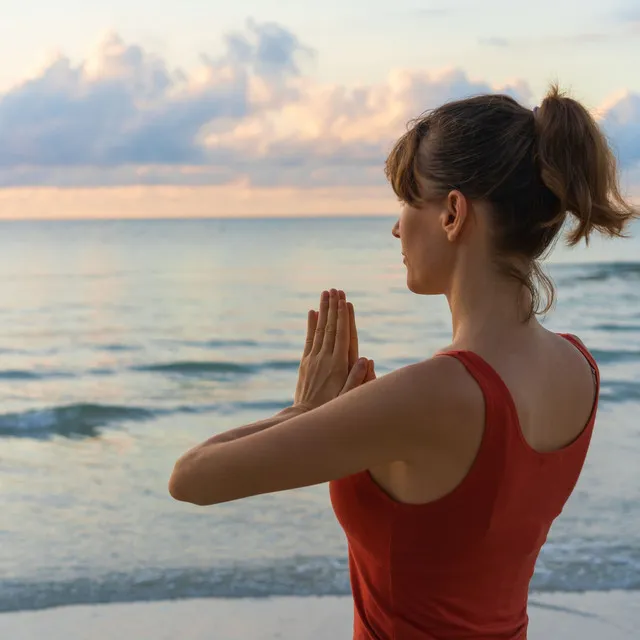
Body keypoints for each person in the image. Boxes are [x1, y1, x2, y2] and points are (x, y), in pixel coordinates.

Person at [169, 85, 638, 639]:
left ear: (453, 214)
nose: (396, 227)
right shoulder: (579, 369)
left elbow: (191, 478)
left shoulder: (432, 395)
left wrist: (303, 412)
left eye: (407, 201)